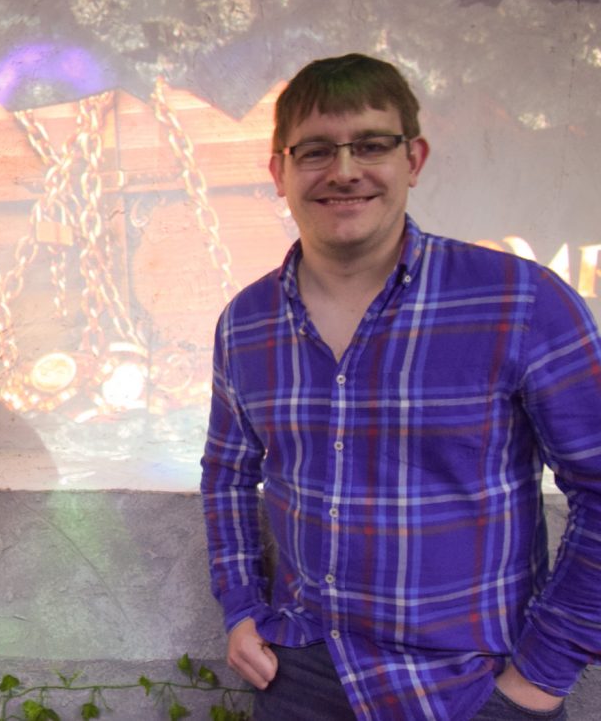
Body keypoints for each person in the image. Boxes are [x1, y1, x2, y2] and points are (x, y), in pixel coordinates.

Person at [200, 53, 601, 721]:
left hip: (469, 689)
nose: (345, 169)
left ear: (413, 159)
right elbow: (226, 473)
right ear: (279, 171)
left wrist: (540, 676)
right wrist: (242, 606)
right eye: (317, 150)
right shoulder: (246, 323)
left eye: (372, 145)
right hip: (300, 676)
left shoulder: (520, 303)